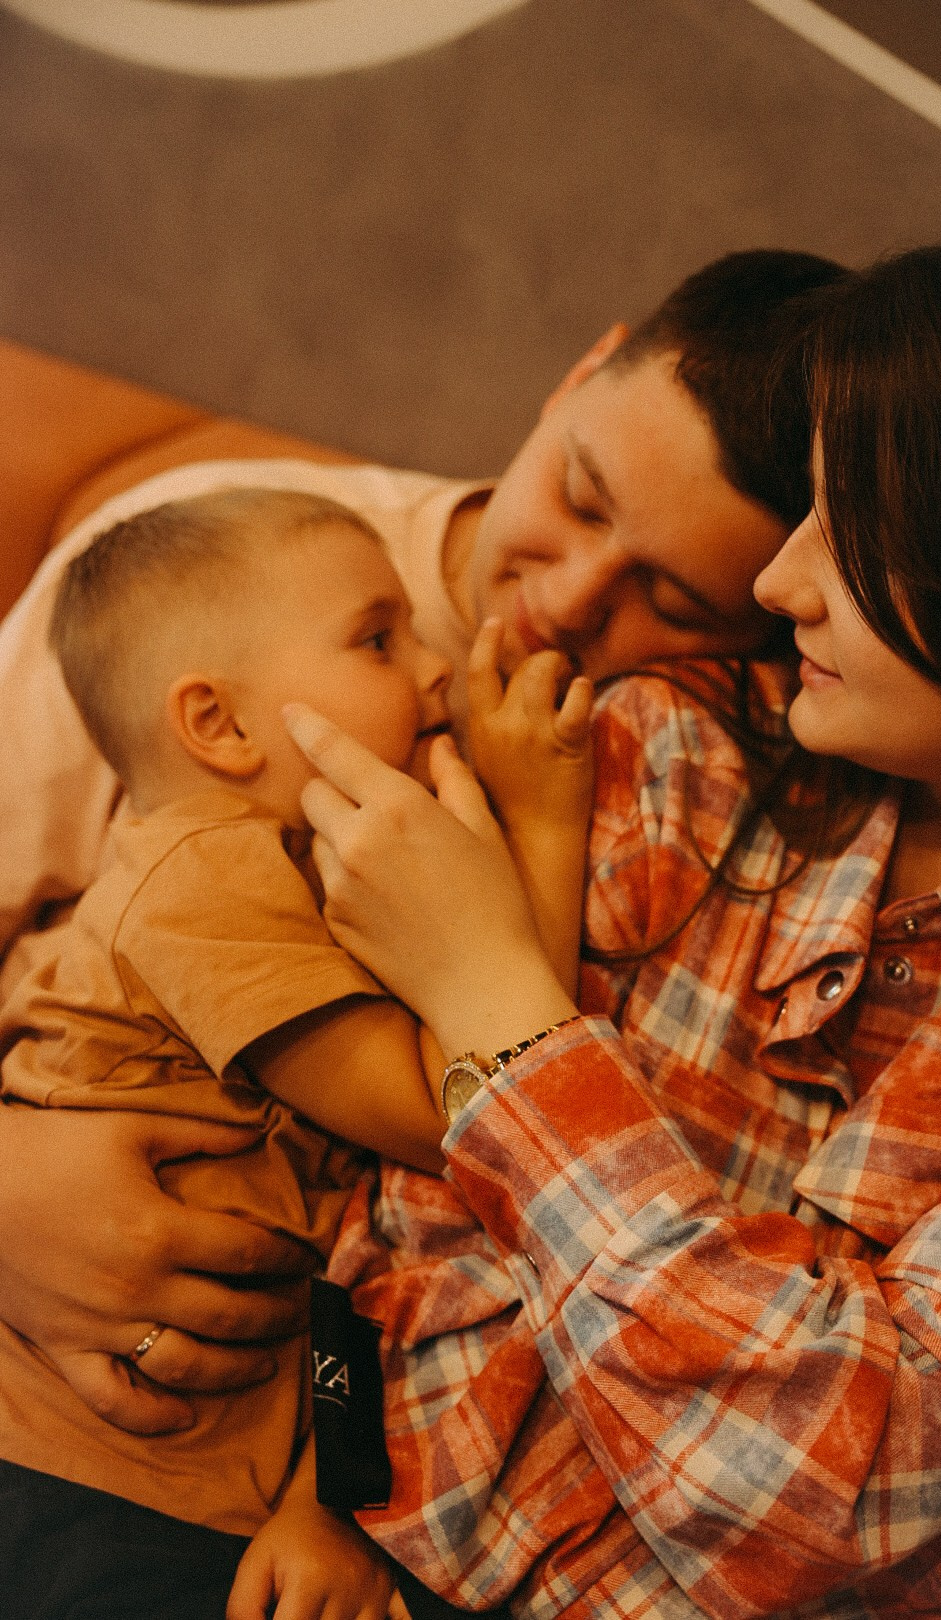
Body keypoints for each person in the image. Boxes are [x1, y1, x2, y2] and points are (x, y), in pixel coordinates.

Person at [278, 214, 941, 1616]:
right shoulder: (676, 752)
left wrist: (500, 1007)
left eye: (861, 533)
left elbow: (837, 1495)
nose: (780, 589)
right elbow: (396, 1207)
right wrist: (318, 1475)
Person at [0, 246, 847, 1435]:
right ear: (580, 372)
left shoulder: (685, 763)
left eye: (674, 600)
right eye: (582, 494)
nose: (566, 601)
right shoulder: (216, 579)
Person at [0, 485, 592, 1620]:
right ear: (217, 725)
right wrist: (547, 827)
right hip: (76, 1470)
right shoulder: (204, 880)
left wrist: (328, 1494)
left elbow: (395, 1211)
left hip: (202, 1474)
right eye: (379, 639)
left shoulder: (294, 869)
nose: (431, 670)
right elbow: (467, 1109)